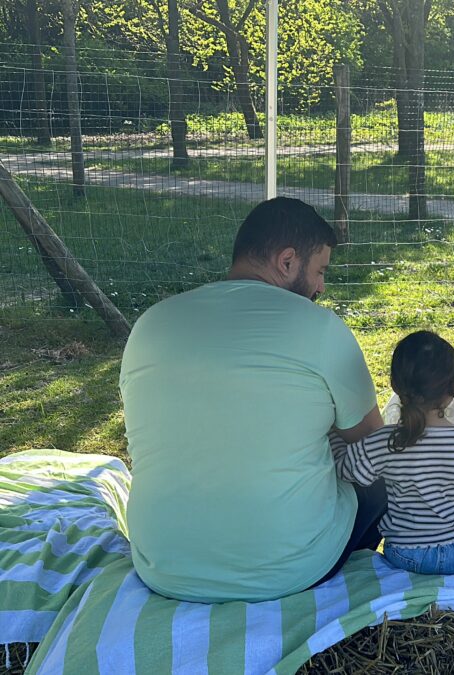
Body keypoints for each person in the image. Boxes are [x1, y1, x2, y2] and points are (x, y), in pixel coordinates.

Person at [120, 197, 386, 603]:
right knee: (380, 479)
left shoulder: (150, 324)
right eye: (320, 271)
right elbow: (371, 439)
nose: (321, 287)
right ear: (287, 261)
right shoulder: (319, 326)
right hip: (292, 571)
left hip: (164, 566)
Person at [332, 331, 454, 575]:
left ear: (396, 386)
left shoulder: (383, 442)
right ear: (453, 388)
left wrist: (333, 432)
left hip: (407, 554)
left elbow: (345, 469)